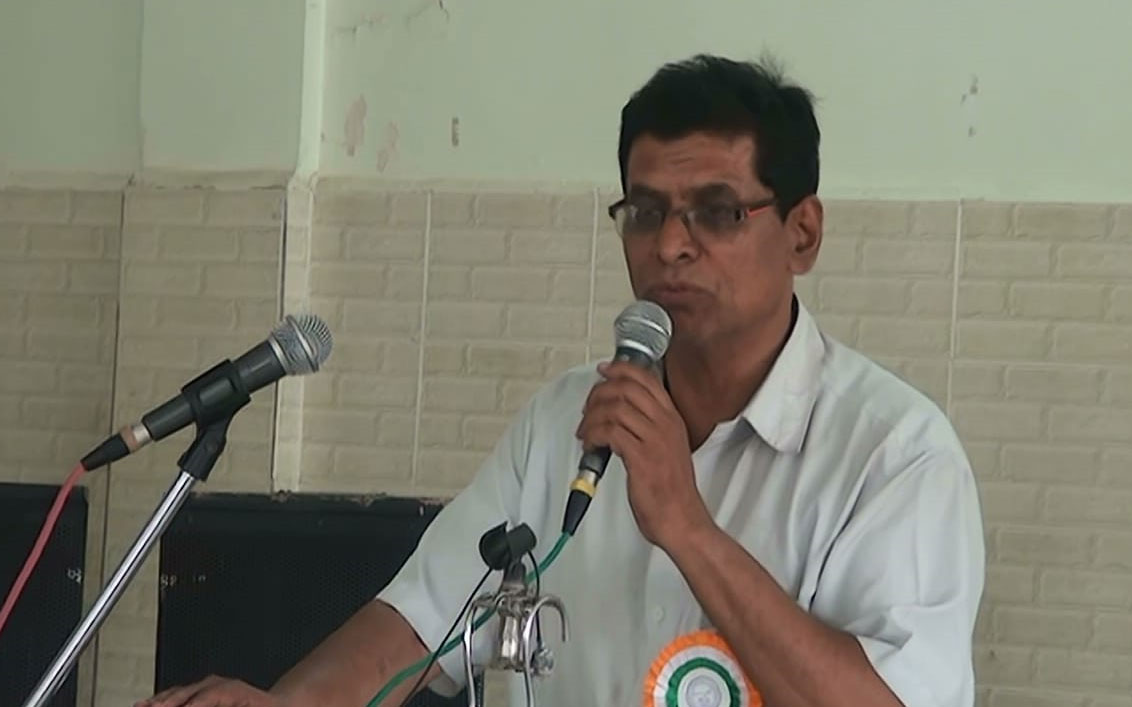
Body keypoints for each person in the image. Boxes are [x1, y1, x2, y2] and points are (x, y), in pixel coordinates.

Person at [139, 53, 984, 707]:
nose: (670, 245)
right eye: (645, 211)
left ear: (802, 234)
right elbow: (422, 619)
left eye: (717, 212)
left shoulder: (894, 454)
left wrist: (687, 527)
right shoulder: (566, 418)